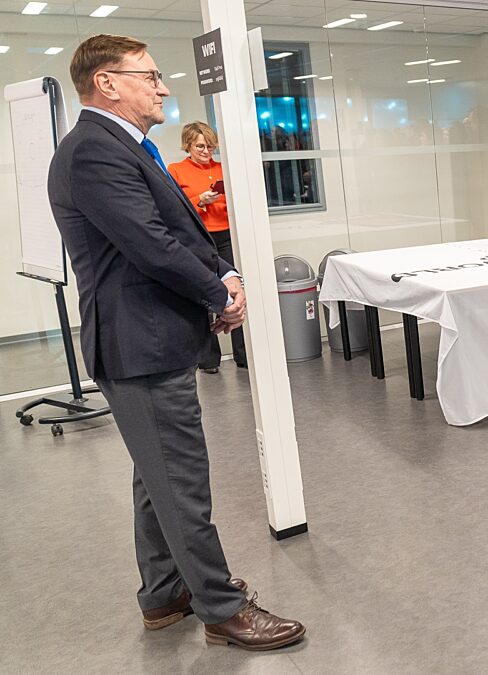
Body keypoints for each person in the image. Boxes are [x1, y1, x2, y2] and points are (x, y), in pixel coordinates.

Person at [47, 34, 304, 649]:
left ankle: (164, 594)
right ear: (107, 83)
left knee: (156, 475)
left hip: (153, 337)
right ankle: (221, 609)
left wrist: (224, 274)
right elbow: (151, 246)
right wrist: (218, 295)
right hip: (139, 345)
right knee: (181, 483)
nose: (163, 88)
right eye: (151, 76)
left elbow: (178, 230)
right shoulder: (93, 152)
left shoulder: (127, 146)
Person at [167, 122, 246, 374]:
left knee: (236, 290)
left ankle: (243, 354)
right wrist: (200, 201)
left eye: (210, 147)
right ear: (188, 145)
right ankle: (208, 358)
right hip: (197, 238)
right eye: (200, 146)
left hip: (227, 234)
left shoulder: (223, 169)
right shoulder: (176, 171)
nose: (206, 151)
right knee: (202, 293)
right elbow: (174, 209)